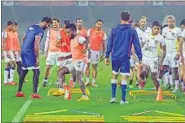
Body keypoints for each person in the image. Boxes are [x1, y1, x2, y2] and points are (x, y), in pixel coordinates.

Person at [105, 11, 142, 104]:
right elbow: (137, 44)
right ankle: (123, 100)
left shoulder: (114, 29)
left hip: (115, 56)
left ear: (120, 18)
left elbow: (110, 43)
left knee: (114, 75)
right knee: (124, 76)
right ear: (129, 19)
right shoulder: (132, 30)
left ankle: (113, 97)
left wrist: (106, 55)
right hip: (125, 56)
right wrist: (140, 57)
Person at [16, 17, 52, 98]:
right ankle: (35, 93)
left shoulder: (31, 27)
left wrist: (24, 47)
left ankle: (19, 91)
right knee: (36, 71)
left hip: (24, 51)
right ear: (46, 23)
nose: (48, 27)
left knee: (24, 70)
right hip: (30, 52)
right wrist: (37, 57)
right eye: (48, 25)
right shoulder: (40, 31)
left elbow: (23, 38)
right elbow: (36, 44)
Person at [57, 23, 90, 101]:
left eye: (68, 32)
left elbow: (85, 42)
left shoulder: (79, 38)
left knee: (79, 77)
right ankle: (61, 90)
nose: (67, 34)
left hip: (81, 61)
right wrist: (64, 57)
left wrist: (85, 48)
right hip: (74, 61)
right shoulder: (72, 40)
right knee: (61, 72)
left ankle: (84, 96)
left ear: (73, 30)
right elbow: (73, 53)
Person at [140, 21, 166, 91]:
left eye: (158, 29)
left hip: (154, 59)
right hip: (145, 57)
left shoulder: (161, 38)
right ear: (152, 28)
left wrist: (161, 60)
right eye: (155, 28)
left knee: (153, 76)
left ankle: (159, 91)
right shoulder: (146, 35)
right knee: (144, 71)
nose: (157, 30)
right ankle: (144, 80)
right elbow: (141, 44)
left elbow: (164, 50)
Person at [85, 19, 107, 87]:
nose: (99, 25)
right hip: (88, 51)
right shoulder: (90, 30)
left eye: (100, 24)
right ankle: (87, 81)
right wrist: (85, 48)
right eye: (98, 24)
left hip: (96, 51)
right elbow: (85, 40)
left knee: (94, 67)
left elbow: (104, 45)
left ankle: (93, 82)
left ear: (102, 25)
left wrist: (103, 54)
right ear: (95, 24)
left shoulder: (103, 33)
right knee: (87, 66)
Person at [162, 15, 181, 93]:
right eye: (168, 22)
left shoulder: (178, 30)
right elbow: (162, 41)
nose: (169, 23)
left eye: (171, 22)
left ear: (174, 22)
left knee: (175, 69)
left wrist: (178, 53)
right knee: (164, 68)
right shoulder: (164, 29)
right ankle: (168, 83)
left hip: (174, 52)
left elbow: (180, 43)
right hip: (166, 52)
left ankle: (176, 86)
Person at [42, 18, 62, 87]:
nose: (54, 24)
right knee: (47, 67)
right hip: (51, 52)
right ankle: (45, 80)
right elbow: (47, 41)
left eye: (56, 22)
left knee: (59, 67)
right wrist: (45, 51)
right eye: (53, 23)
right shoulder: (49, 31)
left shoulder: (62, 31)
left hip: (60, 51)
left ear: (59, 23)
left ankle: (58, 81)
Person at [2, 21, 17, 85]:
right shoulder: (5, 32)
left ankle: (6, 81)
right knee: (12, 64)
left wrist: (13, 51)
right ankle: (10, 80)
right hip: (7, 51)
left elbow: (11, 42)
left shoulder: (10, 32)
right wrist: (5, 52)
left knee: (9, 65)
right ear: (8, 25)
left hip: (10, 50)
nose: (12, 27)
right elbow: (3, 42)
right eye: (12, 26)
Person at [178, 19, 185, 93]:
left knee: (183, 71)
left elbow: (180, 43)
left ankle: (183, 86)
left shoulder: (183, 32)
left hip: (184, 54)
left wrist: (181, 55)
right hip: (183, 54)